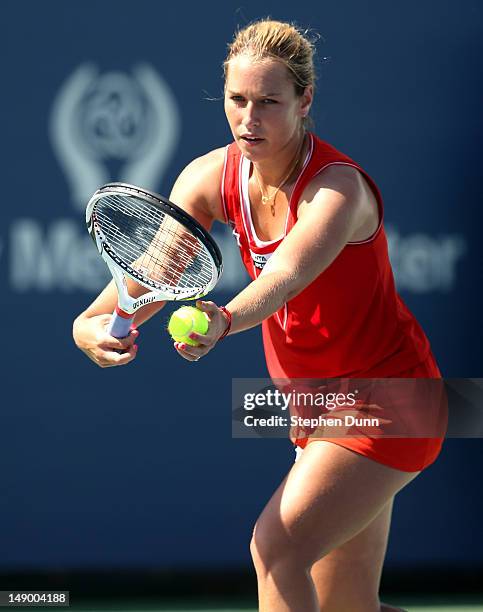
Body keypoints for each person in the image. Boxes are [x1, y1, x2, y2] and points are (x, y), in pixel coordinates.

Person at [73, 19, 445, 612]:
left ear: (305, 101)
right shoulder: (207, 177)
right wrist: (88, 323)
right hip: (314, 405)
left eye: (270, 102)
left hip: (393, 397)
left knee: (275, 552)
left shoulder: (337, 191)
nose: (250, 119)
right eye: (238, 100)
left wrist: (222, 319)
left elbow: (282, 277)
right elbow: (151, 276)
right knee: (349, 607)